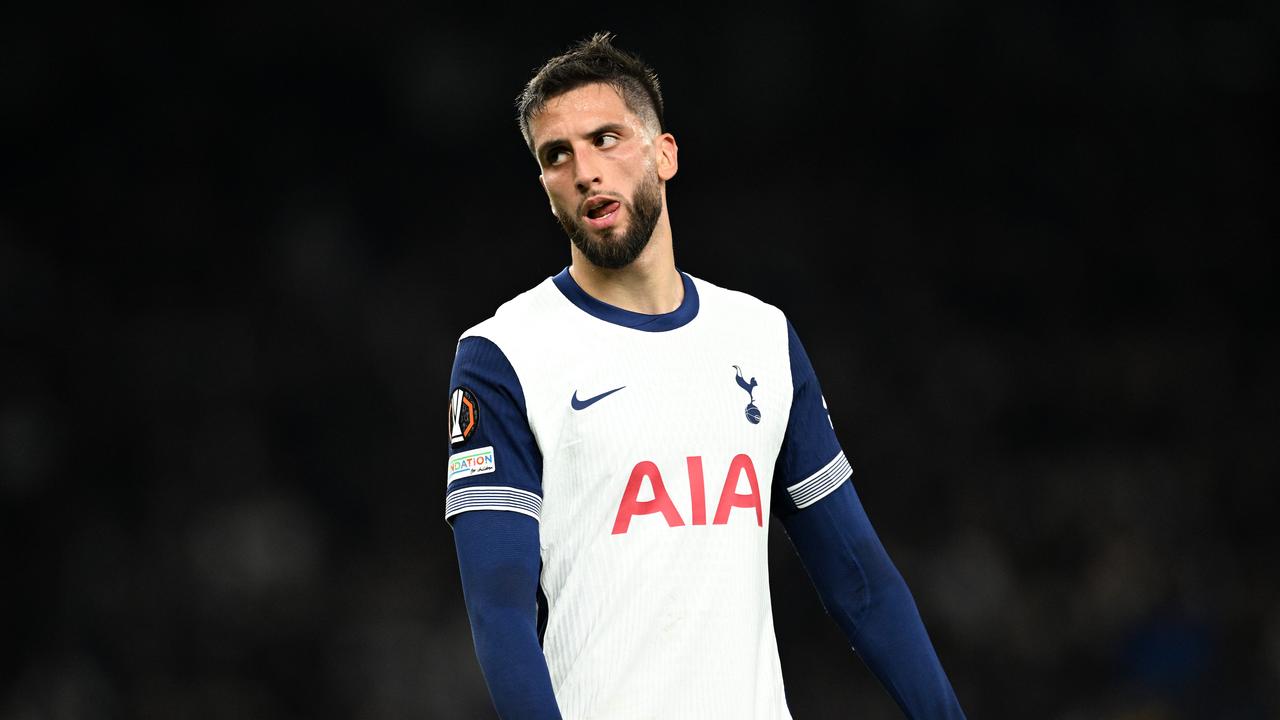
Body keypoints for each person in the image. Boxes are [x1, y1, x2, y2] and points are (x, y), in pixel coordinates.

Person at [445, 32, 965, 719]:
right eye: (556, 156)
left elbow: (859, 578)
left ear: (665, 154)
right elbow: (499, 610)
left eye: (607, 138)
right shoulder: (504, 353)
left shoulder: (762, 338)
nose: (585, 171)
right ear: (545, 187)